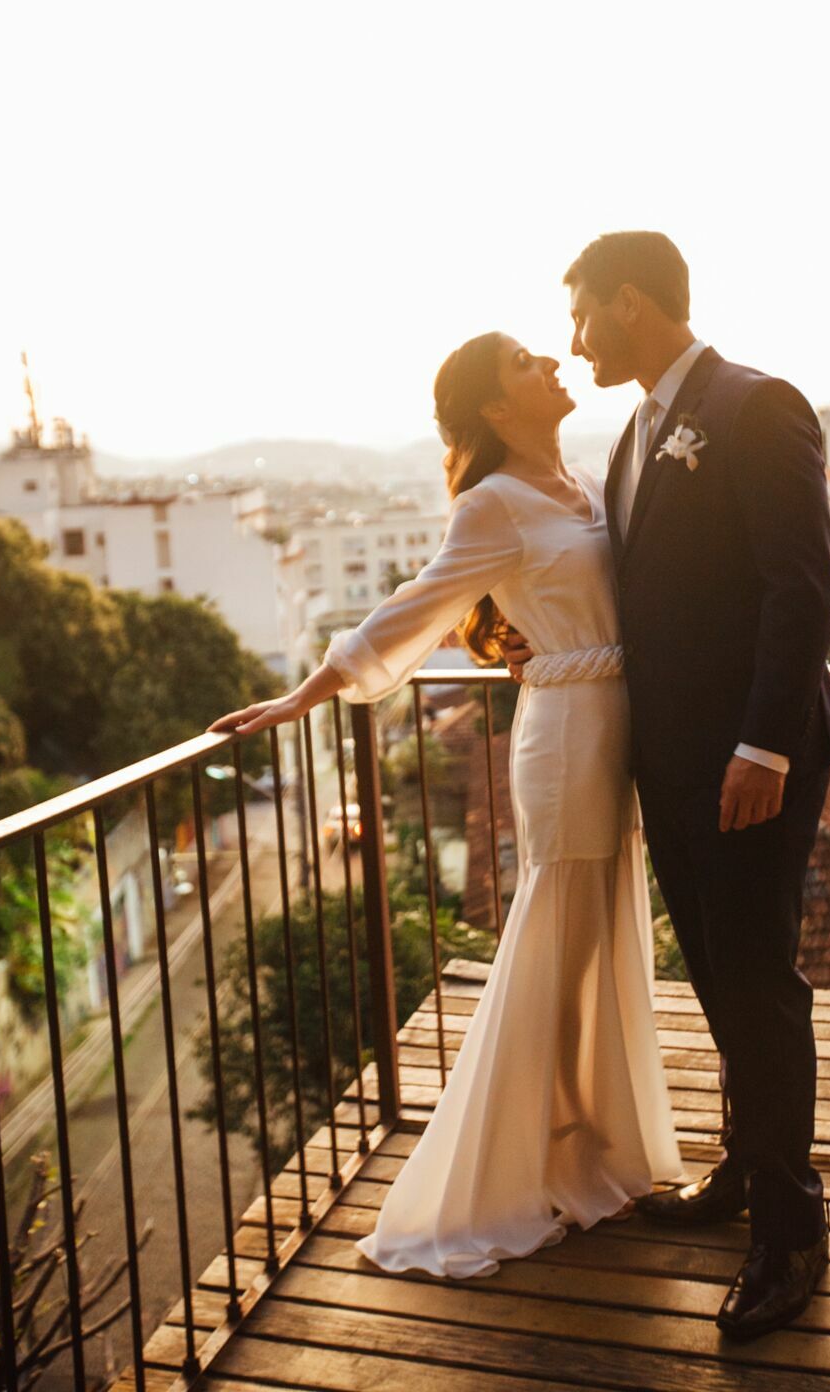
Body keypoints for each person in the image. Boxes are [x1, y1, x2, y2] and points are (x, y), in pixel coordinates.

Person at [207, 330, 683, 1280]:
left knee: (597, 947)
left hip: (614, 730)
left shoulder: (589, 481)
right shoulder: (491, 502)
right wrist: (305, 695)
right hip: (565, 740)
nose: (551, 363)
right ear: (495, 407)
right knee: (556, 951)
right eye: (524, 362)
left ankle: (586, 1147)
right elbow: (416, 606)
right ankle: (510, 1172)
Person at [509, 230, 830, 1341]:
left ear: (630, 302)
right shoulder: (630, 436)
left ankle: (790, 1233)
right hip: (670, 764)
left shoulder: (756, 405)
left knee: (756, 983)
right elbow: (636, 592)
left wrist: (765, 748)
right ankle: (745, 1167)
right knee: (714, 975)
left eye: (580, 317)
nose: (573, 342)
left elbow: (799, 587)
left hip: (750, 765)